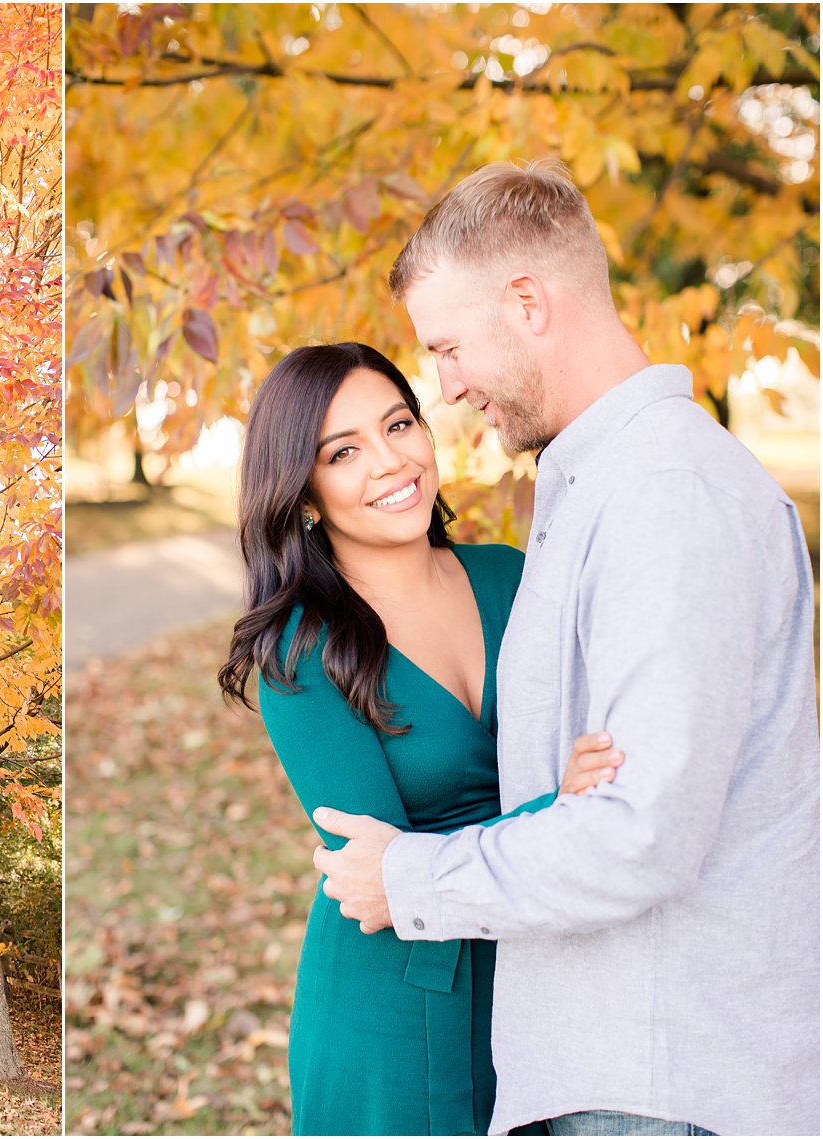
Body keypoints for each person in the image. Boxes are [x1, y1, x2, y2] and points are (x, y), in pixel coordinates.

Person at [311, 160, 819, 1137]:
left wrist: (413, 877)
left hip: (661, 1083)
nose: (445, 389)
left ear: (528, 301)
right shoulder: (594, 485)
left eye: (448, 348)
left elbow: (641, 830)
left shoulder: (665, 493)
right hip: (609, 1067)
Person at [218, 341, 621, 1135]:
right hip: (399, 1003)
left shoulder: (513, 575)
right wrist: (563, 807)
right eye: (344, 451)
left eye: (399, 423)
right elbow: (382, 874)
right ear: (303, 491)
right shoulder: (299, 652)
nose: (390, 460)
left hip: (549, 976)